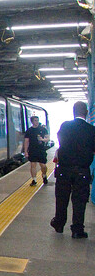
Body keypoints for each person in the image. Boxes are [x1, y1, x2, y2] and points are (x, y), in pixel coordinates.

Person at [50, 101, 95, 239]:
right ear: (86, 112)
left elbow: (60, 141)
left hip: (64, 169)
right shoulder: (91, 130)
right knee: (80, 200)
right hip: (82, 171)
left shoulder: (65, 126)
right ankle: (77, 230)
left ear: (73, 112)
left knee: (62, 197)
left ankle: (59, 223)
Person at [23, 115, 49, 186]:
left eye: (37, 120)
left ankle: (44, 175)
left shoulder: (43, 129)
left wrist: (42, 139)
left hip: (41, 150)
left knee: (43, 165)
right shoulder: (29, 131)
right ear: (32, 122)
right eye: (35, 120)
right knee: (33, 165)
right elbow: (26, 141)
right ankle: (34, 180)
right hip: (32, 150)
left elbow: (47, 138)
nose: (37, 122)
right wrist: (26, 151)